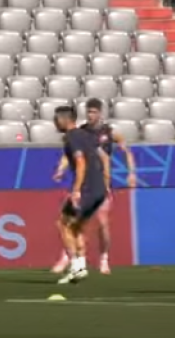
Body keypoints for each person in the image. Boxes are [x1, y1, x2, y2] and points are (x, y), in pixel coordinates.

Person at [52, 98, 136, 275]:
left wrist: (130, 173)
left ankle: (93, 261)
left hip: (93, 186)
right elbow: (75, 156)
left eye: (94, 111)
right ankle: (77, 262)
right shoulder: (84, 133)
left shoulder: (104, 132)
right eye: (88, 111)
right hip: (94, 186)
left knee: (79, 223)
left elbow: (89, 160)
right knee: (77, 225)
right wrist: (61, 168)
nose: (91, 115)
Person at [53, 106, 110, 285]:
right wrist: (106, 183)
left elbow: (80, 162)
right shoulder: (87, 135)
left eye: (56, 119)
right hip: (98, 189)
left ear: (64, 120)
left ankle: (75, 266)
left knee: (63, 223)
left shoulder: (71, 137)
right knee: (77, 226)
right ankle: (81, 267)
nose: (55, 123)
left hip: (87, 189)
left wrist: (76, 190)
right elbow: (103, 158)